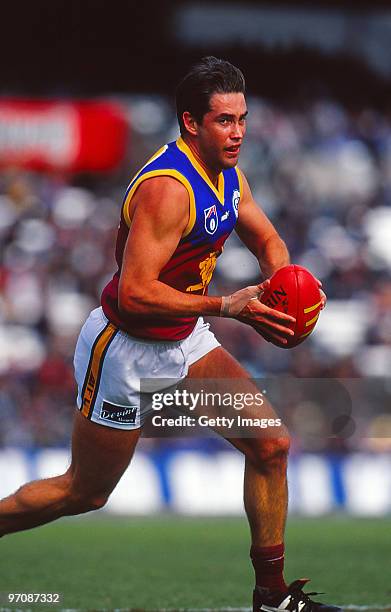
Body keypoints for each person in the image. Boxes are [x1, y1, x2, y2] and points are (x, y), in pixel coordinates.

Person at [0, 57, 336, 612]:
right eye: (224, 121)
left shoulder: (229, 175)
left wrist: (285, 290)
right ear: (191, 123)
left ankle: (271, 597)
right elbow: (134, 293)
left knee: (272, 446)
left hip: (182, 338)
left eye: (242, 118)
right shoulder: (168, 188)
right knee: (84, 492)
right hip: (124, 347)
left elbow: (269, 240)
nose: (238, 132)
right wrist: (229, 305)